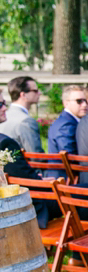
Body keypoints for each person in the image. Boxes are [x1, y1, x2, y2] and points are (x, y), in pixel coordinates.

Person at [0, 98, 59, 229]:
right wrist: (45, 182)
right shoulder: (4, 143)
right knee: (84, 191)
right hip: (23, 206)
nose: (5, 108)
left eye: (4, 103)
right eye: (0, 105)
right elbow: (25, 179)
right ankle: (87, 242)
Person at [45, 85, 88, 179]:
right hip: (65, 180)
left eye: (86, 101)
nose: (84, 104)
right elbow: (70, 157)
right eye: (79, 101)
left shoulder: (67, 121)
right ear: (66, 103)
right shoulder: (66, 125)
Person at [0, 76, 44, 153]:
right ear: (23, 95)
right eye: (35, 90)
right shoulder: (26, 121)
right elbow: (36, 156)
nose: (39, 93)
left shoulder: (5, 116)